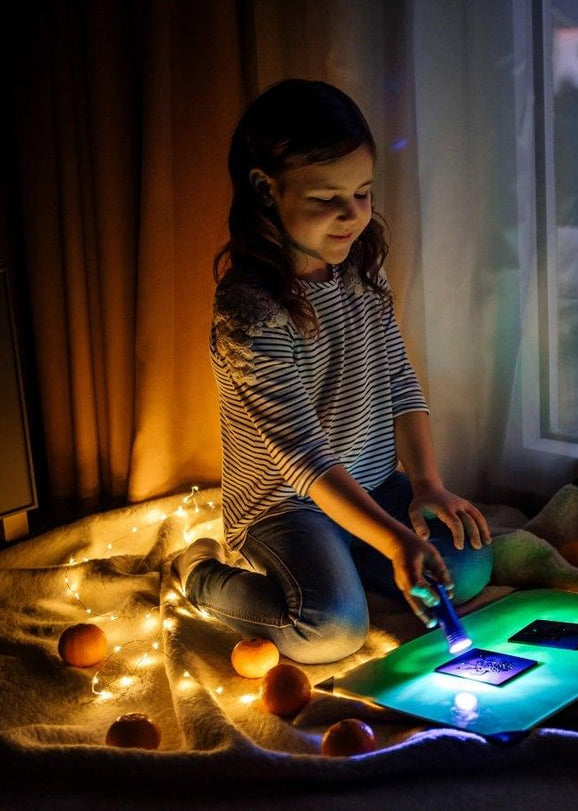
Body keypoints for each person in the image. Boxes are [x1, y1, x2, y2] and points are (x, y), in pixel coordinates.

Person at [171, 79, 494, 664]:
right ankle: (198, 574)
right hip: (285, 508)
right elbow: (304, 458)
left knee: (467, 565)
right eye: (327, 199)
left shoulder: (360, 272)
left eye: (363, 193)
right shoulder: (249, 311)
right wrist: (394, 540)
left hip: (374, 485)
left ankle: (355, 557)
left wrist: (426, 485)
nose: (353, 216)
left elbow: (399, 381)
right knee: (330, 630)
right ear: (265, 190)